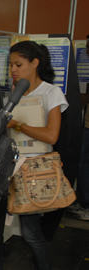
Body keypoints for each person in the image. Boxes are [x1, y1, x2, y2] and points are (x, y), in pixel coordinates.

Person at [7, 40, 69, 270]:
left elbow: (52, 136)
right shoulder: (15, 91)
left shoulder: (52, 93)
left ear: (35, 63)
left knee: (32, 234)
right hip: (12, 165)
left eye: (18, 64)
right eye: (11, 65)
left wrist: (18, 125)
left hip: (35, 171)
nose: (13, 70)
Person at [68, 34, 89, 220]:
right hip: (87, 125)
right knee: (82, 164)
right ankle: (83, 202)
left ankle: (85, 204)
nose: (87, 51)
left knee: (84, 165)